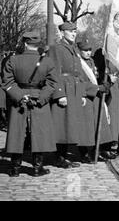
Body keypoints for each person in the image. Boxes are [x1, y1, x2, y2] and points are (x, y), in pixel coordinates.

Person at [1, 32, 57, 177]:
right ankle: (38, 168)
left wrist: (20, 96)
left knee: (17, 132)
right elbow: (52, 84)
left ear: (25, 43)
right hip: (39, 99)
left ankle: (15, 168)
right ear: (37, 45)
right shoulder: (47, 62)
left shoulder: (12, 60)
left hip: (18, 99)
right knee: (39, 133)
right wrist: (41, 98)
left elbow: (7, 83)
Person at [48, 22, 86, 168]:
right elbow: (54, 72)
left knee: (69, 124)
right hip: (64, 88)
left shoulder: (74, 50)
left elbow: (80, 73)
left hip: (74, 88)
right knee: (61, 123)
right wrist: (59, 94)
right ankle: (58, 156)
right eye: (70, 31)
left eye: (75, 31)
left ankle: (63, 156)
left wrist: (82, 93)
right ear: (63, 33)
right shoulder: (57, 49)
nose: (73, 34)